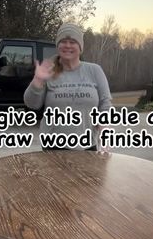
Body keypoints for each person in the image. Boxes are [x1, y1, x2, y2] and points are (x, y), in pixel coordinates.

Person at [23, 23, 112, 151]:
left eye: (73, 42)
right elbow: (32, 104)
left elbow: (105, 103)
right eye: (63, 41)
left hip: (87, 145)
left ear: (80, 47)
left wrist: (104, 131)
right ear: (57, 45)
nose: (68, 45)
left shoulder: (94, 70)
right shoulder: (48, 70)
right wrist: (38, 80)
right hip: (53, 146)